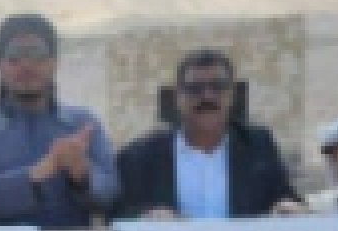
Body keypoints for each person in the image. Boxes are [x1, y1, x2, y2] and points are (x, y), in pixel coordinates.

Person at [0, 13, 117, 227]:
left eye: (37, 55)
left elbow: (111, 192)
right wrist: (32, 177)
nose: (27, 65)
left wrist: (83, 175)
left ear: (55, 63)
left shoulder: (83, 125)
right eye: (14, 56)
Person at [112, 48, 302, 220]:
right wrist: (146, 216)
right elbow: (118, 213)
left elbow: (285, 199)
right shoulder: (140, 156)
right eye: (195, 89)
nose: (207, 97)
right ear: (177, 97)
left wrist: (288, 208)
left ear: (232, 95)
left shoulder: (257, 146)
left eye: (218, 87)